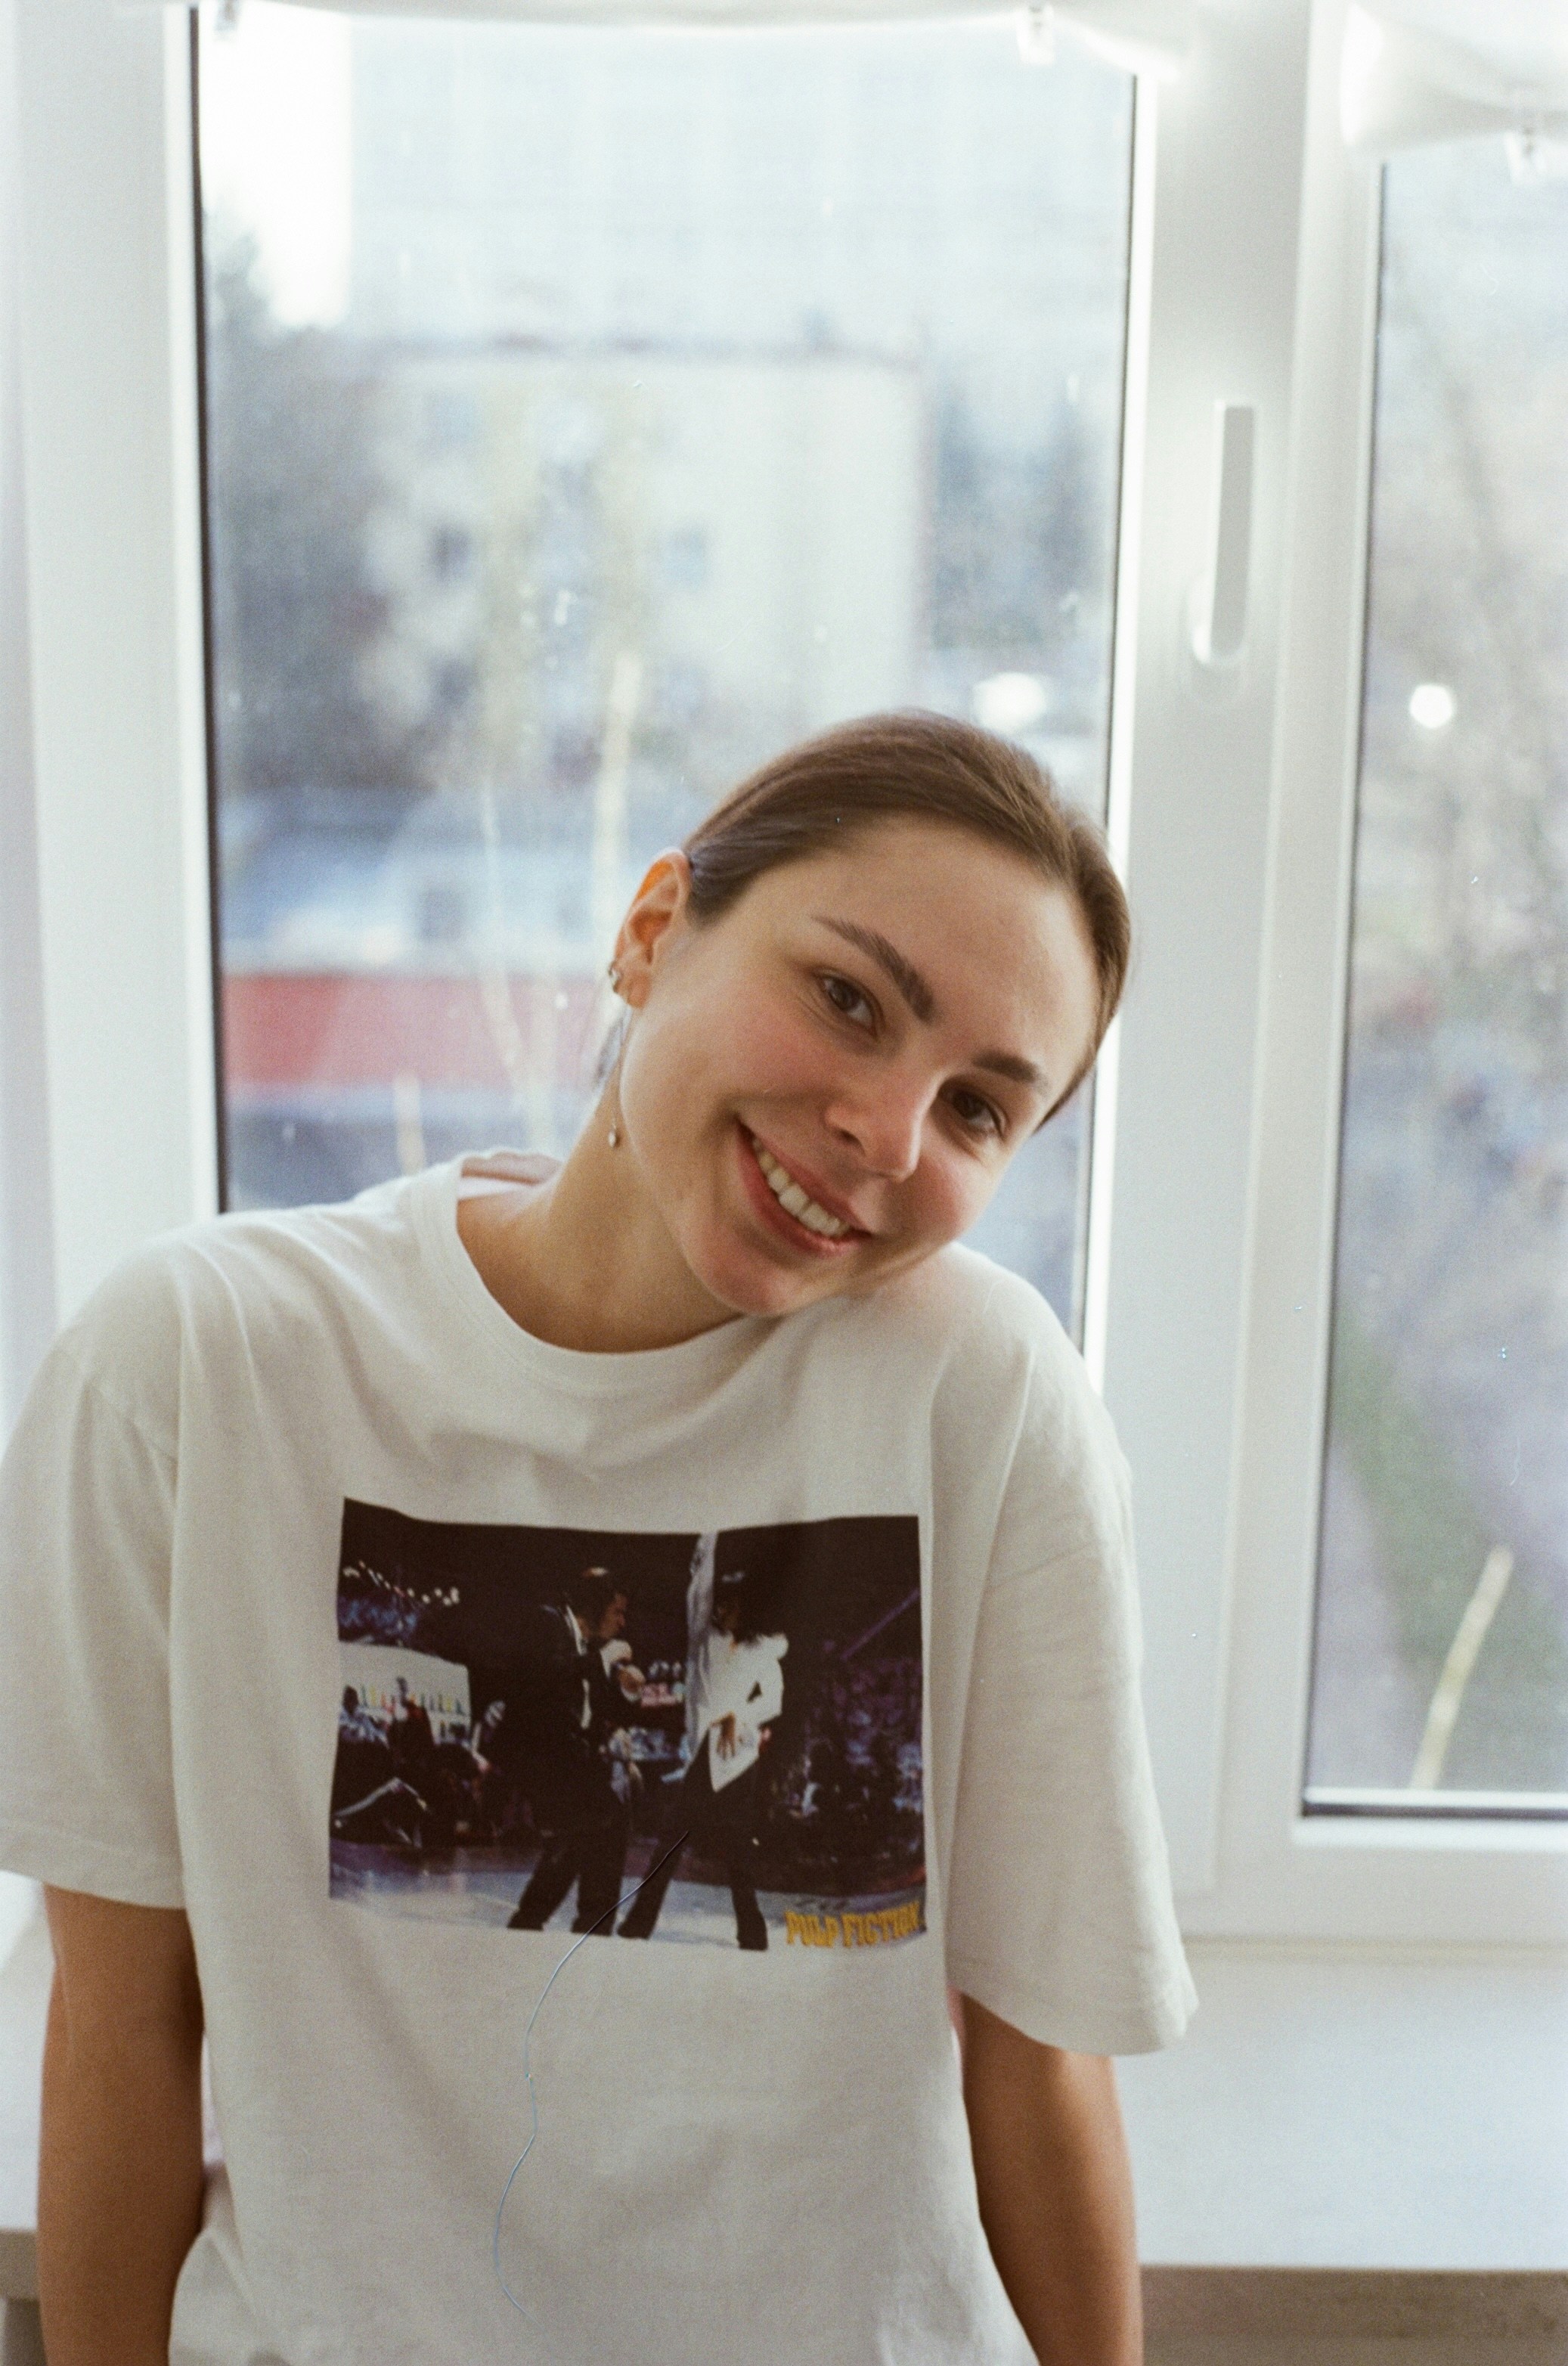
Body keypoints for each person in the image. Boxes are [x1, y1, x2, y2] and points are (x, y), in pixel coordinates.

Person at [0, 712, 1194, 2366]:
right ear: (649, 933)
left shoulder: (979, 1401)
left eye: (979, 1108)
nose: (886, 1133)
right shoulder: (195, 1369)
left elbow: (1039, 2058)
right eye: (847, 997)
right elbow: (124, 2026)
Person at [617, 1534, 784, 1949]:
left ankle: (753, 1936)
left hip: (740, 1763)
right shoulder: (702, 1640)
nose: (721, 1609)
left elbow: (774, 1700)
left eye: (731, 1604)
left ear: (747, 1608)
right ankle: (639, 1924)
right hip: (706, 1761)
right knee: (668, 1849)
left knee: (738, 1857)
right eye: (720, 1601)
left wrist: (737, 1716)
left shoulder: (762, 1649)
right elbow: (699, 1591)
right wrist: (709, 1539)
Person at [507, 1567, 637, 1933]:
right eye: (617, 1612)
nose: (623, 1622)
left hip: (572, 1767)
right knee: (600, 1821)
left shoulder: (588, 1651)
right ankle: (585, 1925)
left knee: (594, 1830)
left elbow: (592, 1717)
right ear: (595, 1607)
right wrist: (603, 1660)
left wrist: (627, 1692)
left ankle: (561, 1923)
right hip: (543, 1760)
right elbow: (547, 1675)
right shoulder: (549, 1624)